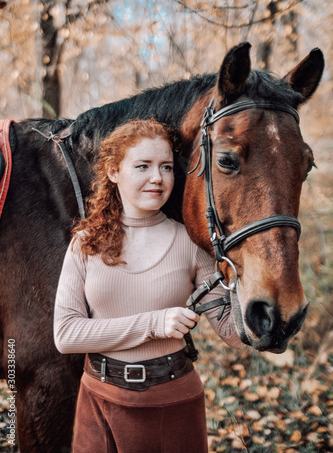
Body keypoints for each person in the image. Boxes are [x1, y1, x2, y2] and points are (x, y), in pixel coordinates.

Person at [54, 119, 245, 453]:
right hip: (98, 399)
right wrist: (154, 324)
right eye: (143, 166)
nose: (158, 178)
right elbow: (66, 335)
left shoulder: (189, 242)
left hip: (171, 401)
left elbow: (233, 334)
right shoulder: (85, 243)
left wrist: (252, 267)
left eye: (167, 167)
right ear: (113, 171)